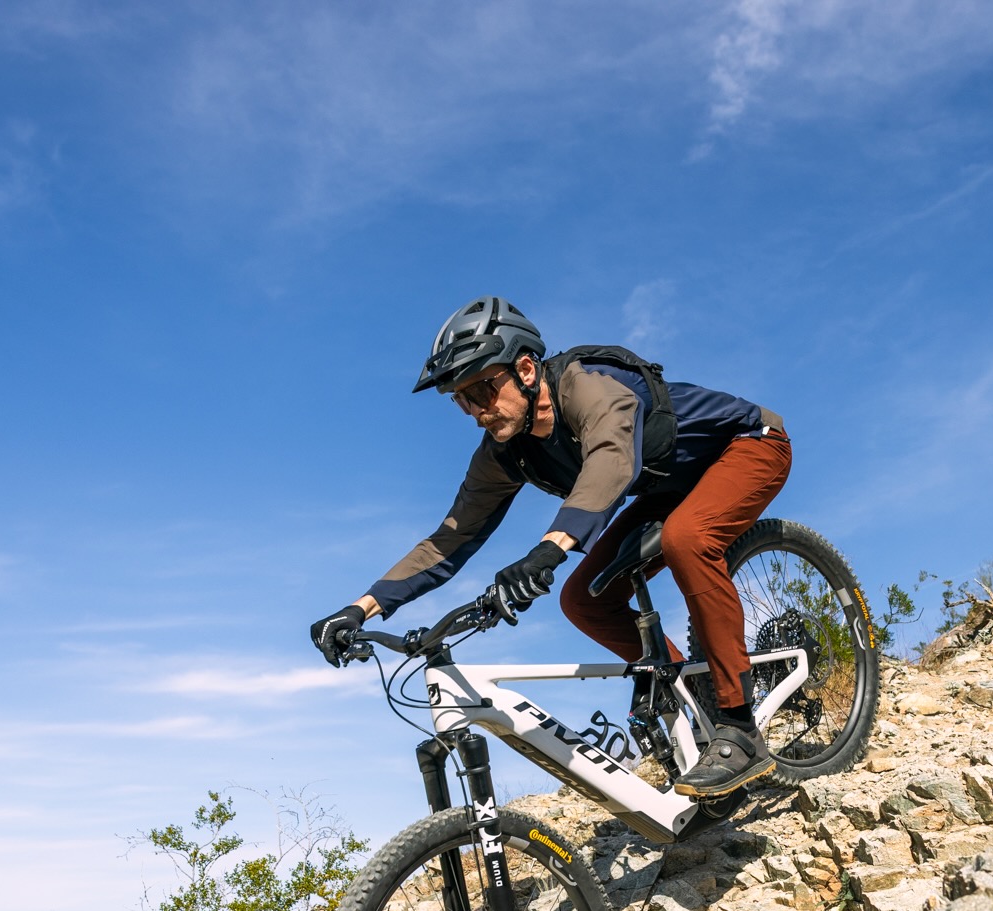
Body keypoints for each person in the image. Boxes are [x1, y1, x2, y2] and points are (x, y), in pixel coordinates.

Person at [308, 296, 792, 797]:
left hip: (749, 445)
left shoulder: (587, 387)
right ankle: (697, 693)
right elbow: (449, 539)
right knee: (584, 601)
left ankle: (739, 729)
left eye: (481, 390)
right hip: (668, 489)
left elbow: (609, 459)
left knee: (687, 538)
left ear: (524, 368)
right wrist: (359, 609)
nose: (476, 412)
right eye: (461, 400)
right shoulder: (504, 453)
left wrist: (549, 549)